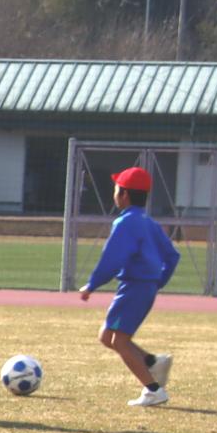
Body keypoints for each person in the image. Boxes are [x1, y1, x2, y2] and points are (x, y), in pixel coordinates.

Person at [80, 165, 179, 407]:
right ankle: (153, 362)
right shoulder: (148, 222)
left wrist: (92, 284)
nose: (114, 193)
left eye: (116, 189)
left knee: (119, 341)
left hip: (133, 288)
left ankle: (153, 390)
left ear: (123, 194)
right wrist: (157, 282)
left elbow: (112, 259)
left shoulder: (124, 223)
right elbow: (172, 256)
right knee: (106, 336)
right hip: (143, 288)